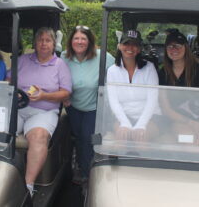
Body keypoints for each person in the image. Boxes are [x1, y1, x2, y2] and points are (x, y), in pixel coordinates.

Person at [8, 27, 72, 196]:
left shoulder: (59, 65)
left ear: (53, 44)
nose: (44, 43)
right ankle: (0, 177)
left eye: (48, 40)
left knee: (38, 137)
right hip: (18, 107)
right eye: (40, 40)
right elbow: (8, 79)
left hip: (43, 112)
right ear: (35, 43)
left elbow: (66, 92)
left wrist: (45, 95)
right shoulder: (23, 60)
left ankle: (27, 186)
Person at [61, 25, 115, 183]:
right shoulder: (64, 57)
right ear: (71, 41)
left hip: (94, 106)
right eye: (76, 38)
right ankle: (79, 163)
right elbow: (55, 75)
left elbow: (117, 71)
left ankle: (87, 175)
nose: (79, 41)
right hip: (73, 105)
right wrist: (63, 95)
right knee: (78, 136)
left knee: (87, 137)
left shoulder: (103, 56)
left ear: (90, 41)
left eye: (83, 39)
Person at [158, 30, 199, 145]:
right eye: (169, 47)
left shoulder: (198, 70)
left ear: (186, 47)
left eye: (177, 46)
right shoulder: (163, 73)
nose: (173, 49)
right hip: (178, 120)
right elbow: (166, 109)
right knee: (192, 144)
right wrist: (190, 122)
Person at [107, 30, 160, 141]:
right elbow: (114, 101)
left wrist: (141, 125)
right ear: (119, 46)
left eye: (135, 44)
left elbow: (152, 100)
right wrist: (125, 123)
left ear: (139, 48)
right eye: (126, 43)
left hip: (149, 117)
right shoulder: (112, 71)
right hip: (124, 116)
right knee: (121, 138)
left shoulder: (149, 68)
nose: (130, 48)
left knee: (141, 139)